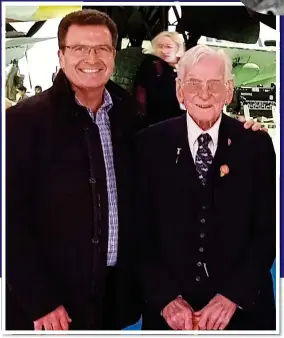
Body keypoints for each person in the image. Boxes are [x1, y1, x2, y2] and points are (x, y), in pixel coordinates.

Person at [6, 9, 142, 331]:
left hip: (114, 299)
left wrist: (239, 132)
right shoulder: (23, 123)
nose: (90, 57)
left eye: (101, 48)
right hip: (53, 307)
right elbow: (8, 218)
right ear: (61, 55)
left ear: (114, 54)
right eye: (79, 48)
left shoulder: (129, 115)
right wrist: (40, 299)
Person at [134, 45, 276, 330]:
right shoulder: (148, 145)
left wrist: (231, 297)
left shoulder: (256, 145)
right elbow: (138, 233)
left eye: (214, 84)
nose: (204, 93)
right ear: (179, 91)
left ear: (229, 91)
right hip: (170, 315)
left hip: (242, 313)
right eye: (194, 84)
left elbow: (269, 230)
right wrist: (166, 300)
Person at [133, 31, 185, 126]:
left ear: (178, 48)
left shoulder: (186, 67)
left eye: (168, 47)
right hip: (155, 122)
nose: (164, 51)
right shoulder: (151, 65)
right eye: (160, 46)